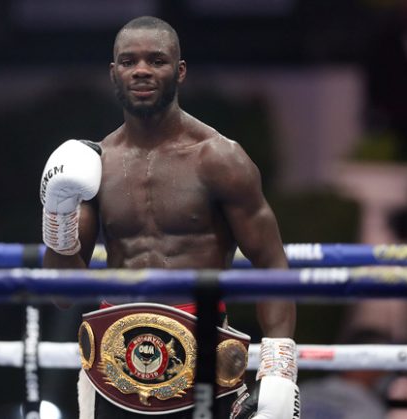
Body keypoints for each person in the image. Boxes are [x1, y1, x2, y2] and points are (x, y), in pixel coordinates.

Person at [40, 16, 298, 419]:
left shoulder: (219, 158)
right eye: (128, 61)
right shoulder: (94, 164)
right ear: (114, 73)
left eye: (156, 60)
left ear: (180, 71)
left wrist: (279, 365)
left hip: (204, 373)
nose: (141, 70)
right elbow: (63, 293)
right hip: (114, 376)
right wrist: (57, 218)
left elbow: (270, 263)